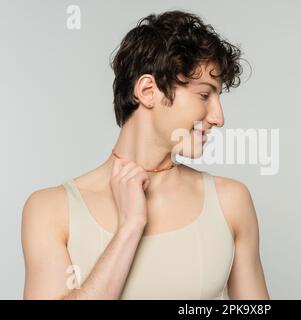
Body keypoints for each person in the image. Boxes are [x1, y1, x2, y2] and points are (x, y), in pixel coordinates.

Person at [21, 10, 270, 300]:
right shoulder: (50, 210)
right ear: (148, 91)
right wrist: (130, 228)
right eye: (204, 95)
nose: (218, 117)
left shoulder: (231, 201)